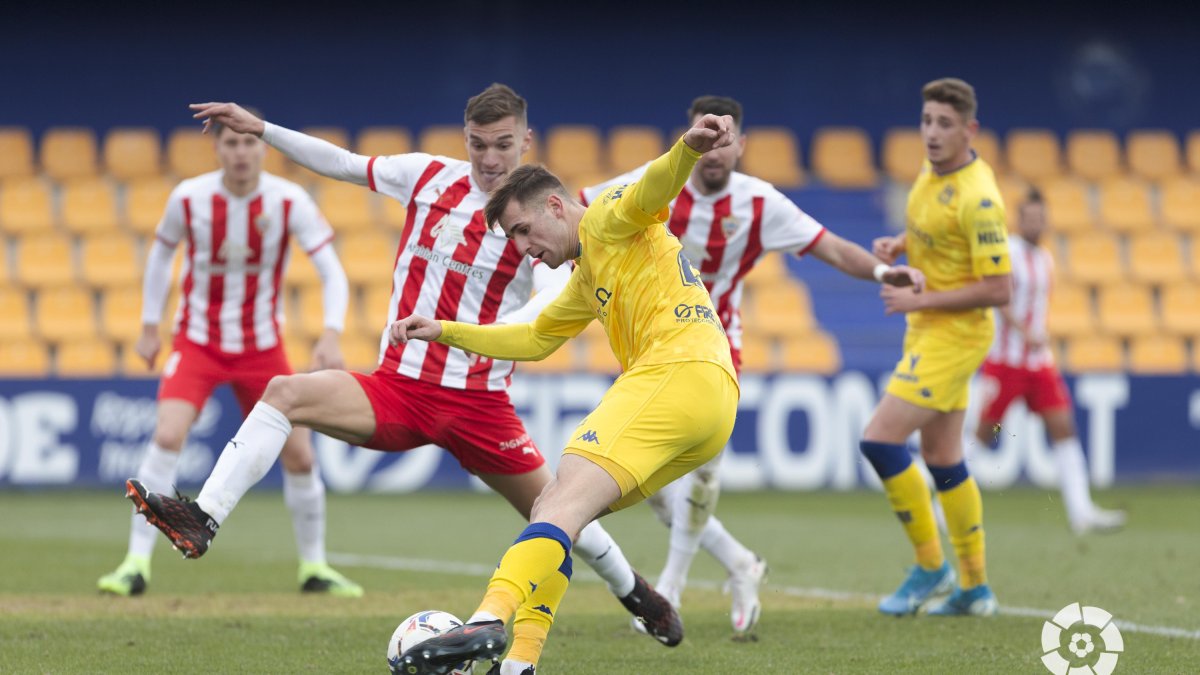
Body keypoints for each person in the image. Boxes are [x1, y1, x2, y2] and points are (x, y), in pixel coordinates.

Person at [124, 84, 682, 658]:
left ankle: (635, 591)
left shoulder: (535, 219)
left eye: (503, 145)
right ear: (464, 138)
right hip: (398, 389)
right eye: (478, 144)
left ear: (527, 140)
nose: (489, 159)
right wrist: (261, 129)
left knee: (562, 511)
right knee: (284, 392)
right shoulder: (426, 176)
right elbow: (341, 163)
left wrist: (512, 327)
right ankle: (203, 520)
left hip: (479, 406)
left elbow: (548, 298)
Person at [580, 95, 926, 638]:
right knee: (652, 485)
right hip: (649, 347)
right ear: (692, 136)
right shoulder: (653, 184)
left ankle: (669, 588)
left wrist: (885, 273)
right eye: (708, 137)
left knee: (702, 474)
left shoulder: (760, 203)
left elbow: (832, 248)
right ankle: (741, 563)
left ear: (742, 146)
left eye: (728, 139)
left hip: (717, 348)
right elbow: (574, 210)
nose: (717, 150)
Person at [98, 114, 362, 597]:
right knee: (168, 433)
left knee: (300, 456)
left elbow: (332, 270)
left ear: (262, 148)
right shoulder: (189, 198)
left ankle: (315, 567)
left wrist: (331, 332)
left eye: (249, 143)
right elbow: (160, 256)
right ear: (217, 149)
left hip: (262, 347)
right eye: (232, 143)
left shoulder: (288, 200)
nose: (242, 152)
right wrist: (149, 325)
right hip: (198, 341)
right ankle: (135, 562)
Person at [862, 78, 1011, 618]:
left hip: (956, 334)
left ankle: (931, 568)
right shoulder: (932, 170)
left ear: (969, 130)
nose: (931, 133)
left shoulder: (981, 198)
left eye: (944, 124)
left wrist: (920, 303)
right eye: (926, 120)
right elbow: (937, 231)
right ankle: (975, 587)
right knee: (944, 457)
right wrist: (902, 244)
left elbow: (1000, 289)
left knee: (879, 442)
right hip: (930, 329)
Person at [972, 188, 1126, 535]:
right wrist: (1023, 330)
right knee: (984, 434)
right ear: (1018, 219)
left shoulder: (1045, 258)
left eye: (1040, 218)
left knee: (1064, 428)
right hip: (1005, 360)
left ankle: (1081, 512)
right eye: (1029, 217)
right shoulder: (1007, 251)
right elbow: (998, 297)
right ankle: (944, 505)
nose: (1035, 223)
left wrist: (1036, 335)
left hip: (1039, 363)